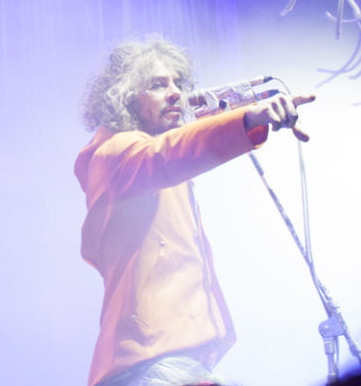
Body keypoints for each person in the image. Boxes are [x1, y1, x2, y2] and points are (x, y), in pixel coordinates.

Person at [74, 38, 315, 386]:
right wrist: (247, 119)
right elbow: (171, 153)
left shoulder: (152, 159)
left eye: (178, 83)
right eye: (158, 85)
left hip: (177, 361)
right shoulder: (114, 153)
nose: (176, 93)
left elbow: (180, 146)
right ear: (125, 97)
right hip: (149, 363)